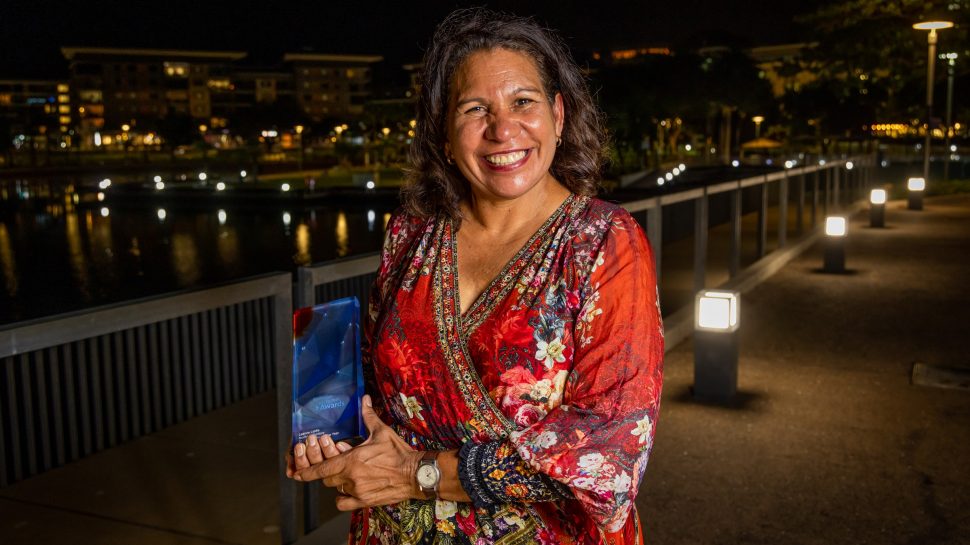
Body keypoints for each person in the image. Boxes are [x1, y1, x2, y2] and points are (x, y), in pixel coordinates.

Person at [287, 8, 664, 544]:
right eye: (474, 109)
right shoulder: (412, 234)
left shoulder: (602, 241)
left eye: (523, 102)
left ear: (558, 115)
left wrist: (419, 473)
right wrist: (333, 435)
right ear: (444, 132)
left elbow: (610, 446)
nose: (502, 129)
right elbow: (376, 383)